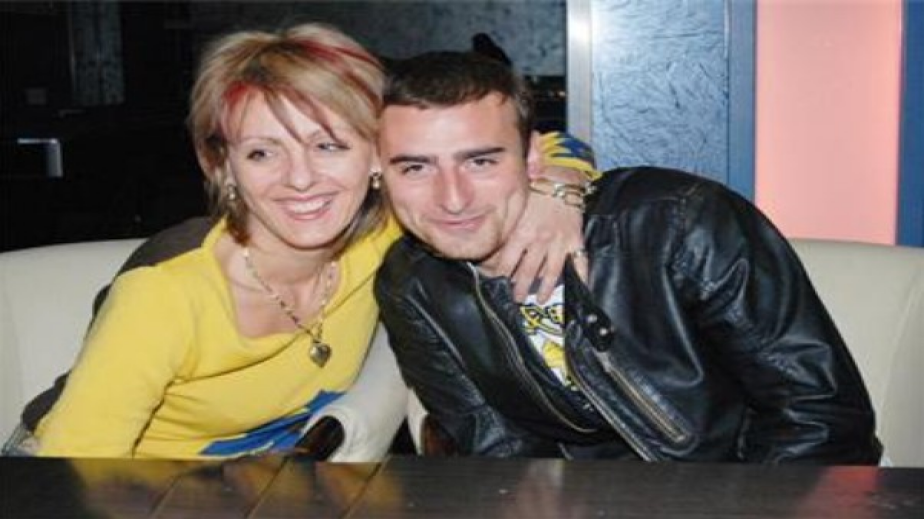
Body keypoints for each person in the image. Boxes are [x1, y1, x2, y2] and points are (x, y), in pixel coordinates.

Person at [5, 25, 590, 459]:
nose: (301, 179)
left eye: (328, 145)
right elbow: (71, 472)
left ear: (378, 157)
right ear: (223, 167)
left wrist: (557, 192)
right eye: (263, 152)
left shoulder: (389, 227)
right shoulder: (165, 296)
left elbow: (544, 146)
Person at [373, 51, 883, 464]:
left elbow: (819, 416)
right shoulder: (411, 285)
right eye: (415, 168)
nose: (453, 199)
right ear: (382, 172)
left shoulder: (679, 224)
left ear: (532, 157)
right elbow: (496, 450)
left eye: (481, 161)